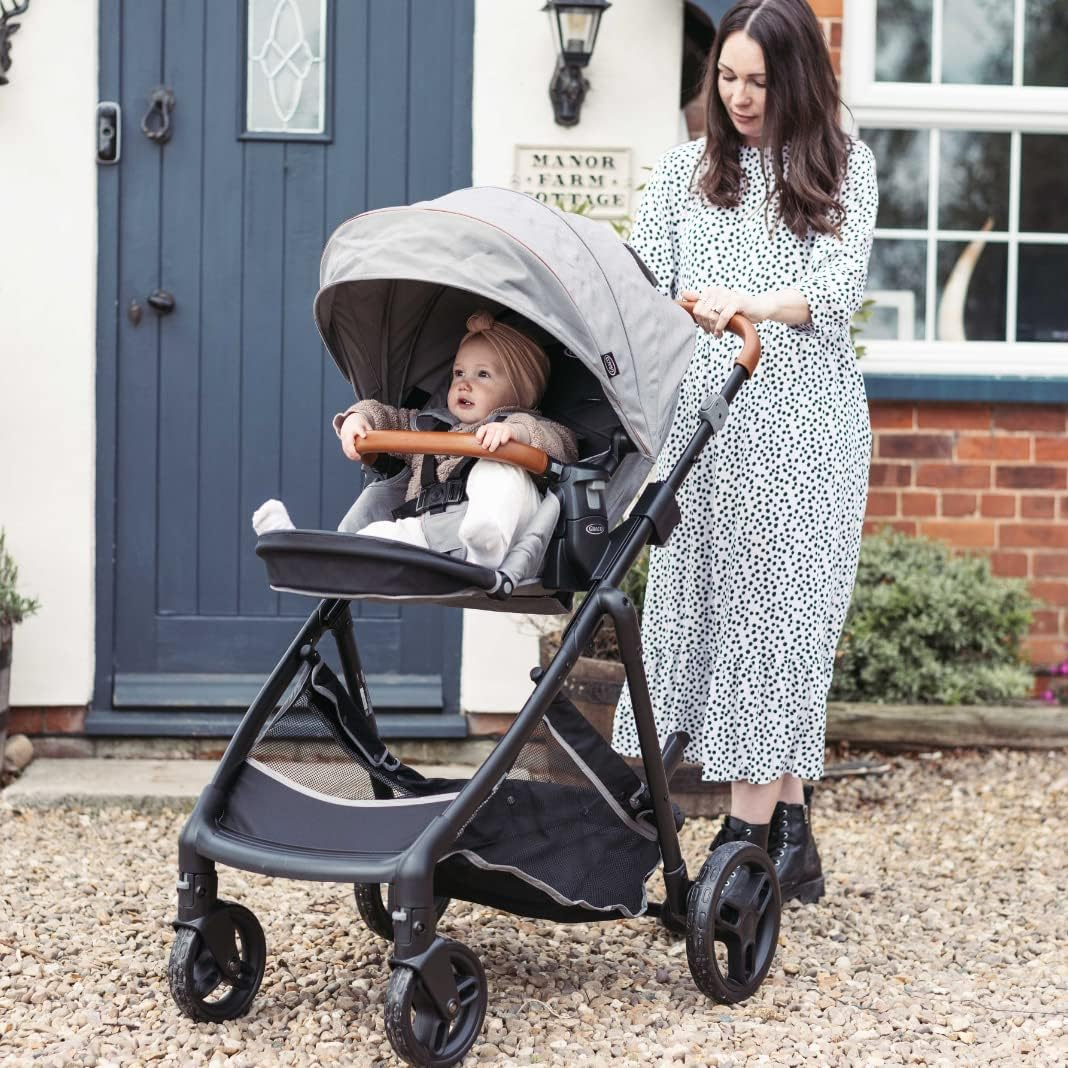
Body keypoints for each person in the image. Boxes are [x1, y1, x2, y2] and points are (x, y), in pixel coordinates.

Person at [611, 0, 877, 905]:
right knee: (718, 617)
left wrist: (748, 303)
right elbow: (641, 281)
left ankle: (744, 839)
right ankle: (789, 842)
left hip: (803, 429)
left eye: (759, 81)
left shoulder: (843, 168)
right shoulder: (685, 169)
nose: (739, 96)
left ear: (796, 78)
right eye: (727, 77)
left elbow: (833, 289)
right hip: (706, 428)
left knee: (777, 621)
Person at [253, 311, 577, 569]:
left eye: (483, 374)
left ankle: (486, 540)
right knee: (376, 525)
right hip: (424, 534)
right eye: (459, 373)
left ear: (521, 390)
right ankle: (305, 556)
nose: (464, 384)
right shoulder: (430, 426)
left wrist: (516, 436)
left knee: (498, 467)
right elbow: (389, 416)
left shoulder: (521, 424)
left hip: (499, 534)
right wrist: (359, 419)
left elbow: (562, 445)